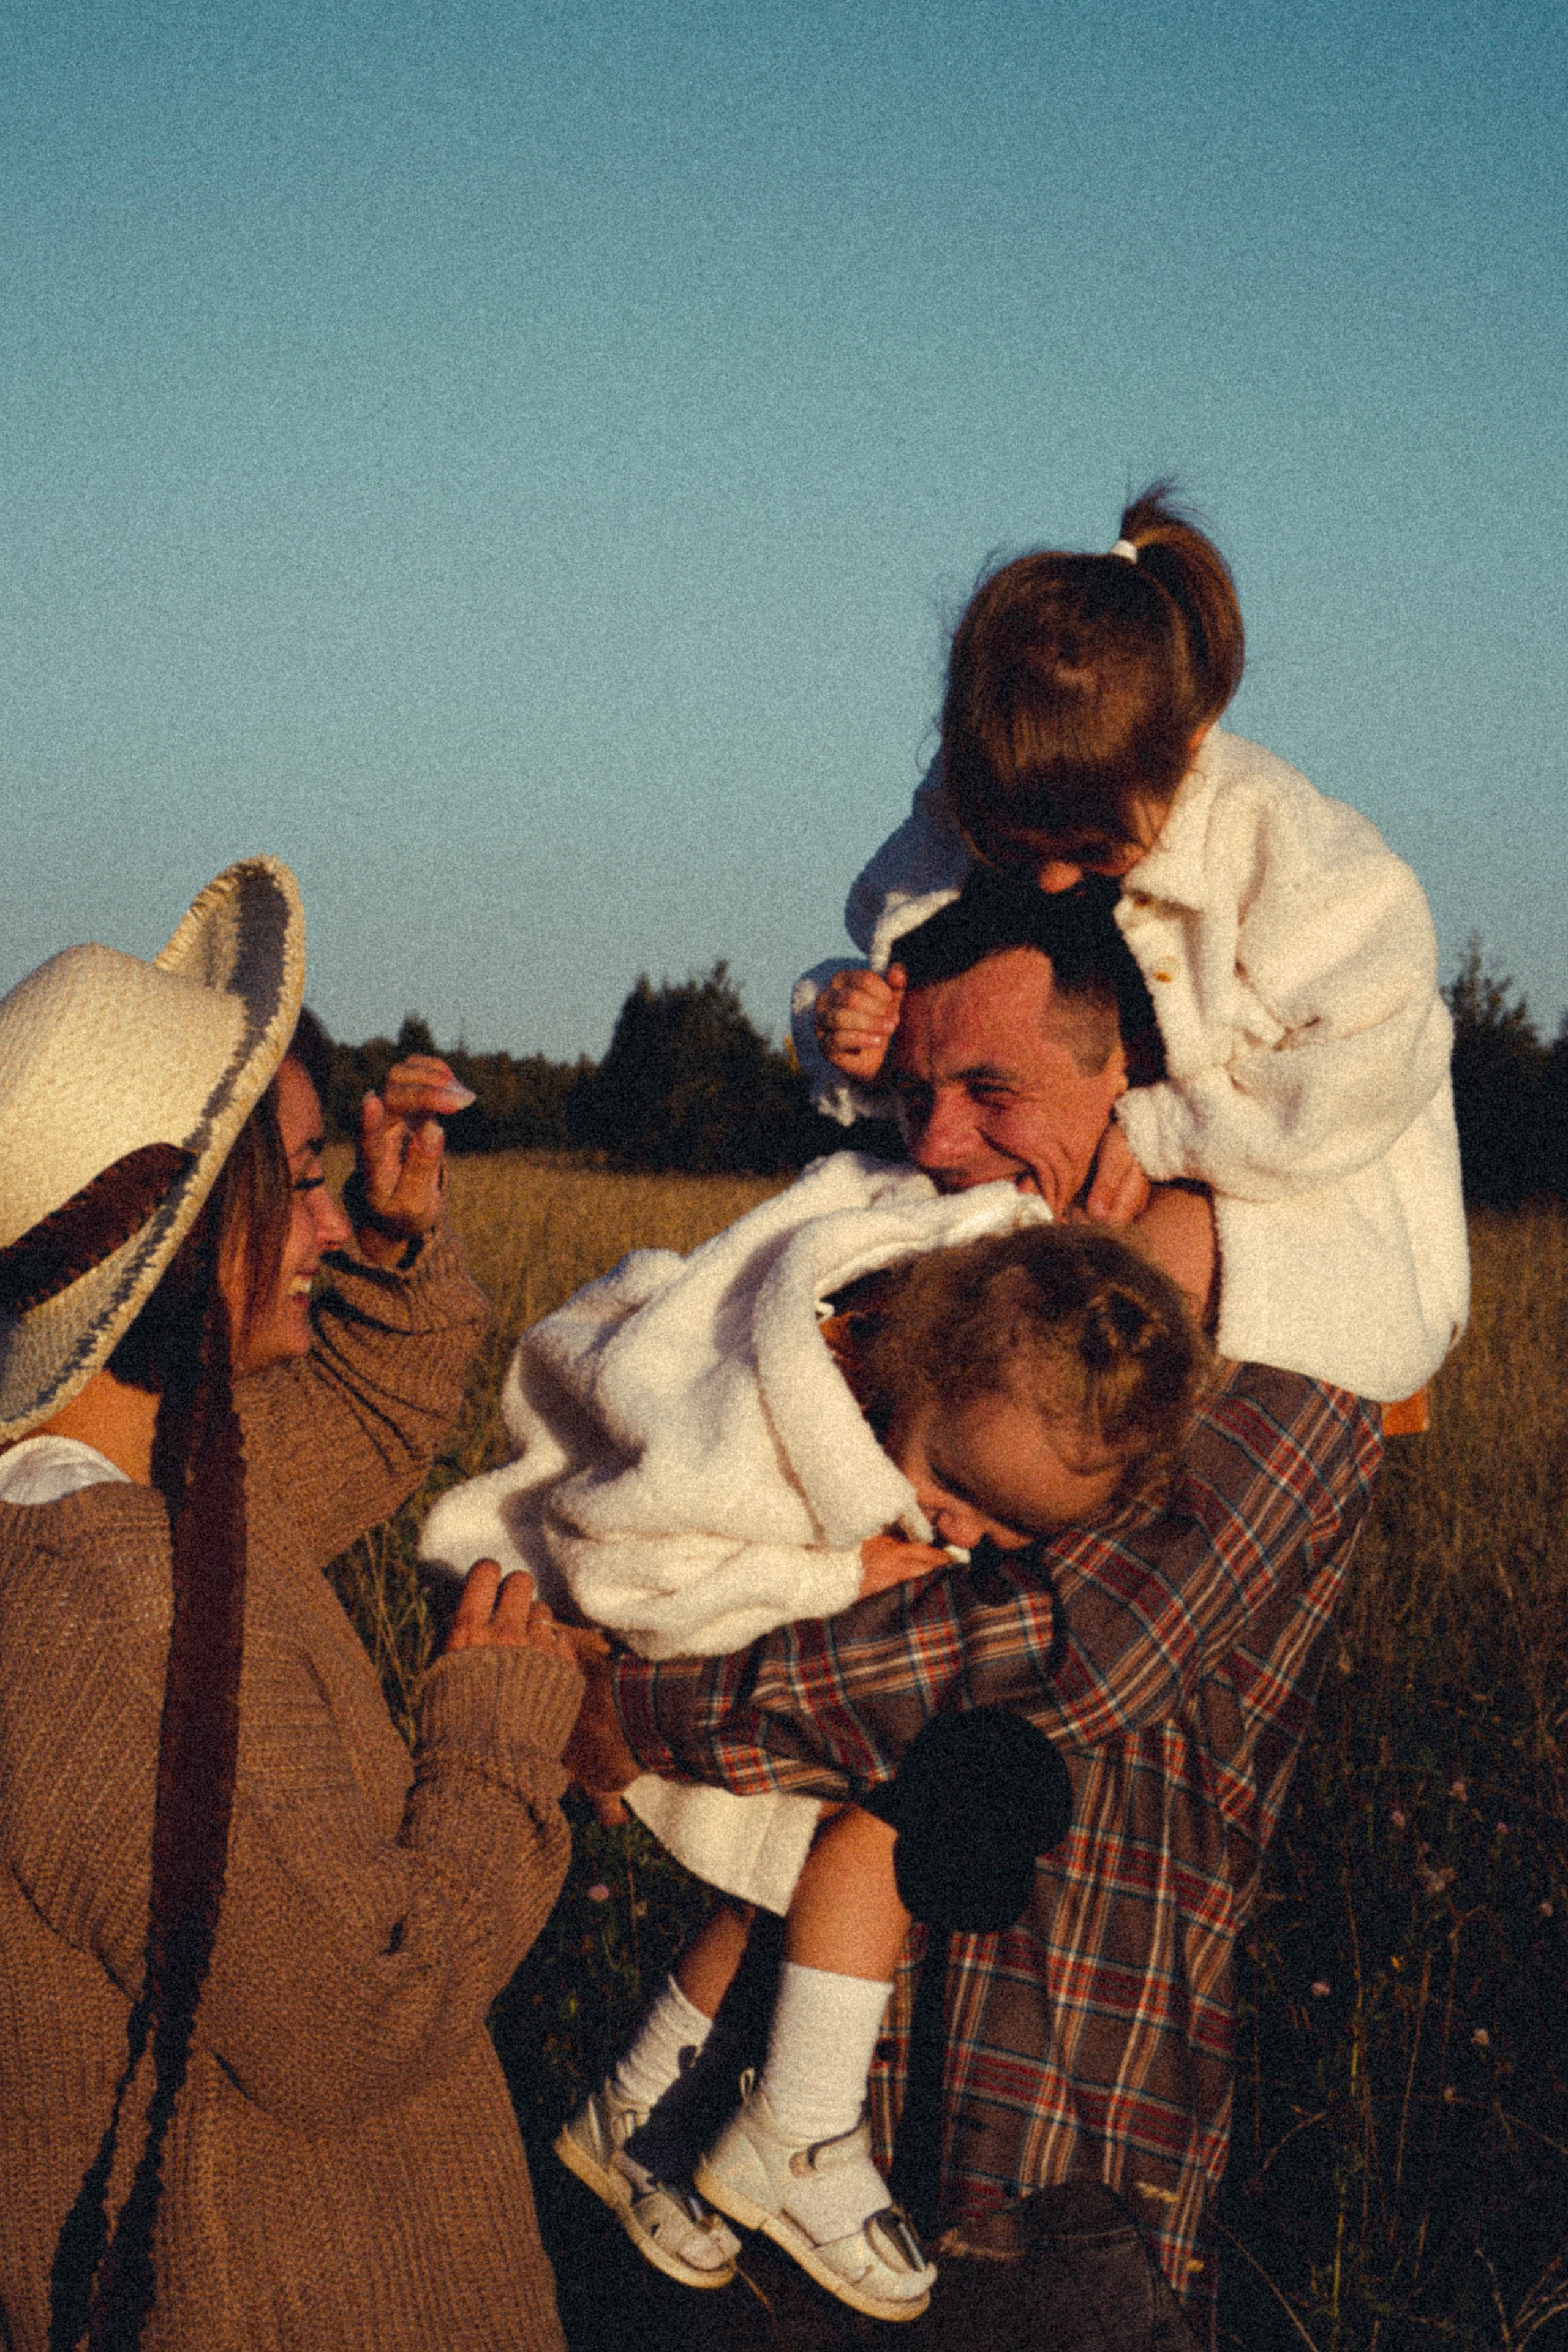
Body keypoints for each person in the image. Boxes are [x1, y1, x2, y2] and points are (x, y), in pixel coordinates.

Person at [562, 884, 1387, 2345]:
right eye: (918, 1089)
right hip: (772, 2151)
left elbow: (1053, 1652)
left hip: (1051, 2181)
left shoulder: (1278, 1363)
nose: (936, 1141)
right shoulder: (921, 1302)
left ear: (1138, 1082)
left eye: (990, 1090)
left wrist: (628, 1704)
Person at [0, 858, 583, 2352]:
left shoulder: (141, 1491)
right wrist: (497, 1744)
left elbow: (367, 1418)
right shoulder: (109, 1593)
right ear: (193, 1233)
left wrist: (392, 1234)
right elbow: (357, 2015)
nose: (324, 1226)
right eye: (304, 1181)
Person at [551, 1223, 1207, 2322]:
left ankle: (643, 2110)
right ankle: (787, 2126)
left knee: (799, 1866)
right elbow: (658, 1522)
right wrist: (827, 1573)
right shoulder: (793, 1387)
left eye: (1009, 1533)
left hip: (706, 1698)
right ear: (913, 1370)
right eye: (952, 1483)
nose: (962, 1531)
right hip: (641, 1647)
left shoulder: (946, 1420)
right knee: (843, 1844)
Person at [794, 483, 1468, 1406]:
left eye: (1095, 849)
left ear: (1190, 750)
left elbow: (1374, 1058)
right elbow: (909, 964)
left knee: (1131, 1290)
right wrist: (855, 1021)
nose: (1055, 882)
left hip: (1303, 1161)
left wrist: (1164, 1132)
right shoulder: (964, 808)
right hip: (1070, 1158)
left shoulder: (1284, 846)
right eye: (1018, 849)